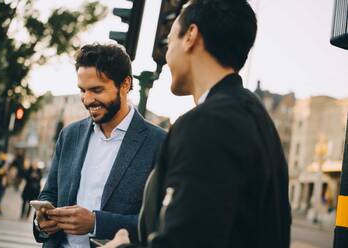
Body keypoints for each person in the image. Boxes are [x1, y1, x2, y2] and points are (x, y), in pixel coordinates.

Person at [102, 1, 291, 248]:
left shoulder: (208, 123)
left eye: (169, 42)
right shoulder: (256, 118)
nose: (167, 56)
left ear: (191, 35)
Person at [33, 44, 166, 247]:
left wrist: (96, 223)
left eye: (96, 90)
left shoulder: (159, 143)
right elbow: (50, 193)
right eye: (82, 90)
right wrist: (41, 221)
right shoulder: (70, 135)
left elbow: (155, 222)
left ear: (124, 84)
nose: (87, 100)